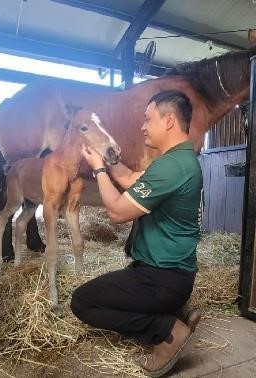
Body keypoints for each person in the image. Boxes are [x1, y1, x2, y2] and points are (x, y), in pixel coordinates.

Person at [71, 90, 203, 377]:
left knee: (82, 302)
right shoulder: (179, 160)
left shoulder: (171, 167)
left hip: (160, 279)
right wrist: (104, 155)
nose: (142, 126)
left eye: (148, 119)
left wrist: (97, 171)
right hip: (173, 275)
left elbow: (117, 213)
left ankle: (167, 330)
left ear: (168, 121)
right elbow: (130, 179)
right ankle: (176, 312)